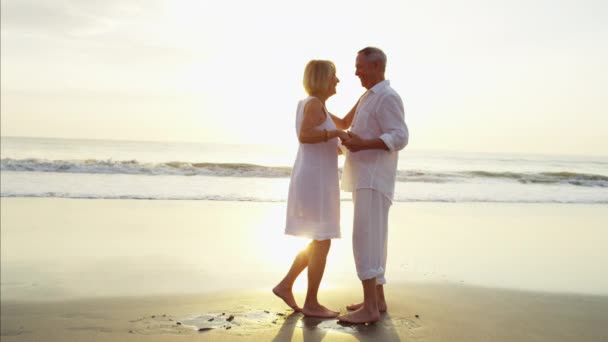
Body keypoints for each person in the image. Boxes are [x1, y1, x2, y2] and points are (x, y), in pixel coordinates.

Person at [337, 47, 409, 324]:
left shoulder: (388, 97)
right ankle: (376, 301)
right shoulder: (368, 96)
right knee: (374, 240)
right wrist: (317, 105)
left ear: (377, 66)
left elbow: (400, 136)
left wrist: (363, 143)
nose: (356, 72)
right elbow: (348, 126)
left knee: (365, 240)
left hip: (374, 178)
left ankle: (369, 309)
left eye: (360, 66)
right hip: (363, 177)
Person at [273, 60, 349, 318]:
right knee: (322, 239)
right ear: (322, 79)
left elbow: (346, 123)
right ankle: (312, 303)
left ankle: (285, 285)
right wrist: (334, 136)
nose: (338, 80)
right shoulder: (313, 104)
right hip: (315, 182)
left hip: (316, 178)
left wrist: (367, 98)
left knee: (319, 239)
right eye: (334, 76)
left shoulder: (318, 107)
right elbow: (306, 135)